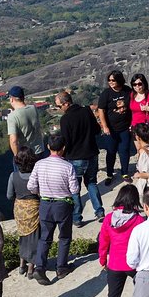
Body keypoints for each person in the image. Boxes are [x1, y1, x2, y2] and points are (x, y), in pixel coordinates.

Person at [27, 134, 80, 286]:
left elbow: (31, 186)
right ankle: (61, 267)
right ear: (63, 148)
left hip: (44, 204)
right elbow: (75, 189)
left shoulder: (39, 164)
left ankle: (40, 267)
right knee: (64, 237)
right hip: (63, 204)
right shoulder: (68, 166)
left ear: (49, 147)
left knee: (45, 237)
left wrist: (40, 192)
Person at [97, 184, 145, 297]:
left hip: (115, 264)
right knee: (144, 293)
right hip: (134, 265)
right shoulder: (139, 220)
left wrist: (103, 260)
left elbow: (103, 241)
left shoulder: (109, 218)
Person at [55, 91, 105, 227]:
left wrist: (62, 156)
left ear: (66, 103)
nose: (59, 110)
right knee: (92, 183)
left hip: (75, 157)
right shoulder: (86, 111)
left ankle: (77, 217)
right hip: (92, 153)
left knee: (74, 189)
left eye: (59, 106)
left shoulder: (65, 119)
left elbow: (67, 141)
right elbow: (96, 130)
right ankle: (99, 211)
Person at [6, 146, 40, 280]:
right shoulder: (36, 176)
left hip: (20, 209)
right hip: (34, 208)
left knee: (23, 236)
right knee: (35, 238)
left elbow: (9, 196)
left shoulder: (13, 176)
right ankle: (31, 267)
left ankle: (22, 264)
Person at [96, 70, 132, 185]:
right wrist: (105, 126)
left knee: (124, 150)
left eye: (113, 80)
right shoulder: (106, 93)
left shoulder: (127, 91)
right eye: (109, 80)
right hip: (111, 128)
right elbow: (101, 110)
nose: (110, 82)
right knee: (111, 151)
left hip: (125, 127)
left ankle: (125, 172)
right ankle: (109, 174)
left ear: (119, 80)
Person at [6, 86, 45, 166]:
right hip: (39, 151)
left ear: (11, 99)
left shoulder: (12, 116)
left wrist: (17, 156)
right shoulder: (33, 108)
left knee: (23, 178)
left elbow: (13, 140)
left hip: (24, 155)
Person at [129, 73, 149, 149]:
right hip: (135, 126)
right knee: (139, 150)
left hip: (148, 127)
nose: (137, 86)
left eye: (139, 84)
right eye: (134, 84)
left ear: (144, 83)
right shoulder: (132, 95)